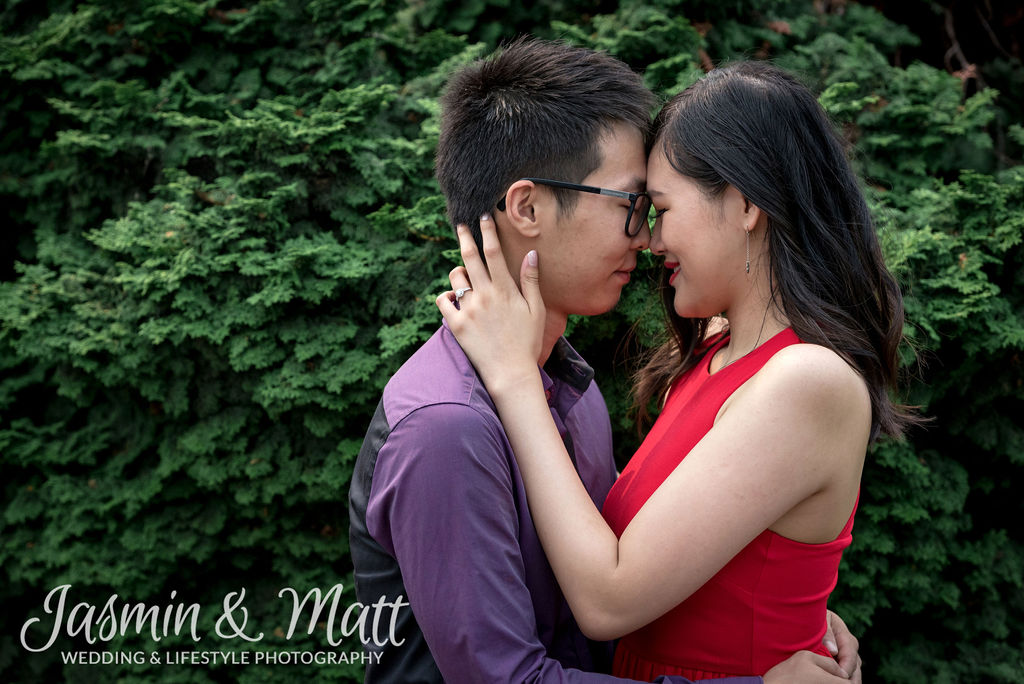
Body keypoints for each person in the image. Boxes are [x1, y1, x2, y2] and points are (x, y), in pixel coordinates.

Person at [351, 40, 861, 683]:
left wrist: (795, 611)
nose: (646, 237)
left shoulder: (569, 392)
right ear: (527, 208)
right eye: (632, 205)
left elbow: (634, 571)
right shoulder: (447, 426)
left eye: (657, 209)